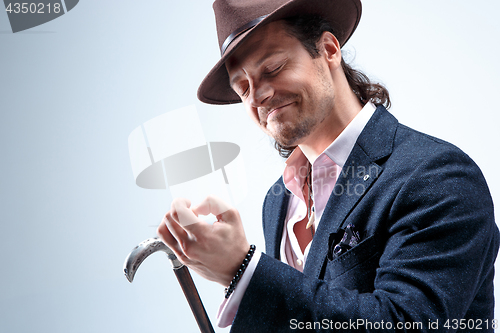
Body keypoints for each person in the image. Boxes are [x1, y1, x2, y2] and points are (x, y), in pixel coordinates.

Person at [157, 0, 499, 331]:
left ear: (329, 50)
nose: (257, 96)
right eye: (242, 87)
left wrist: (244, 270)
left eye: (272, 68)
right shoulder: (277, 200)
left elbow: (403, 323)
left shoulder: (437, 175)